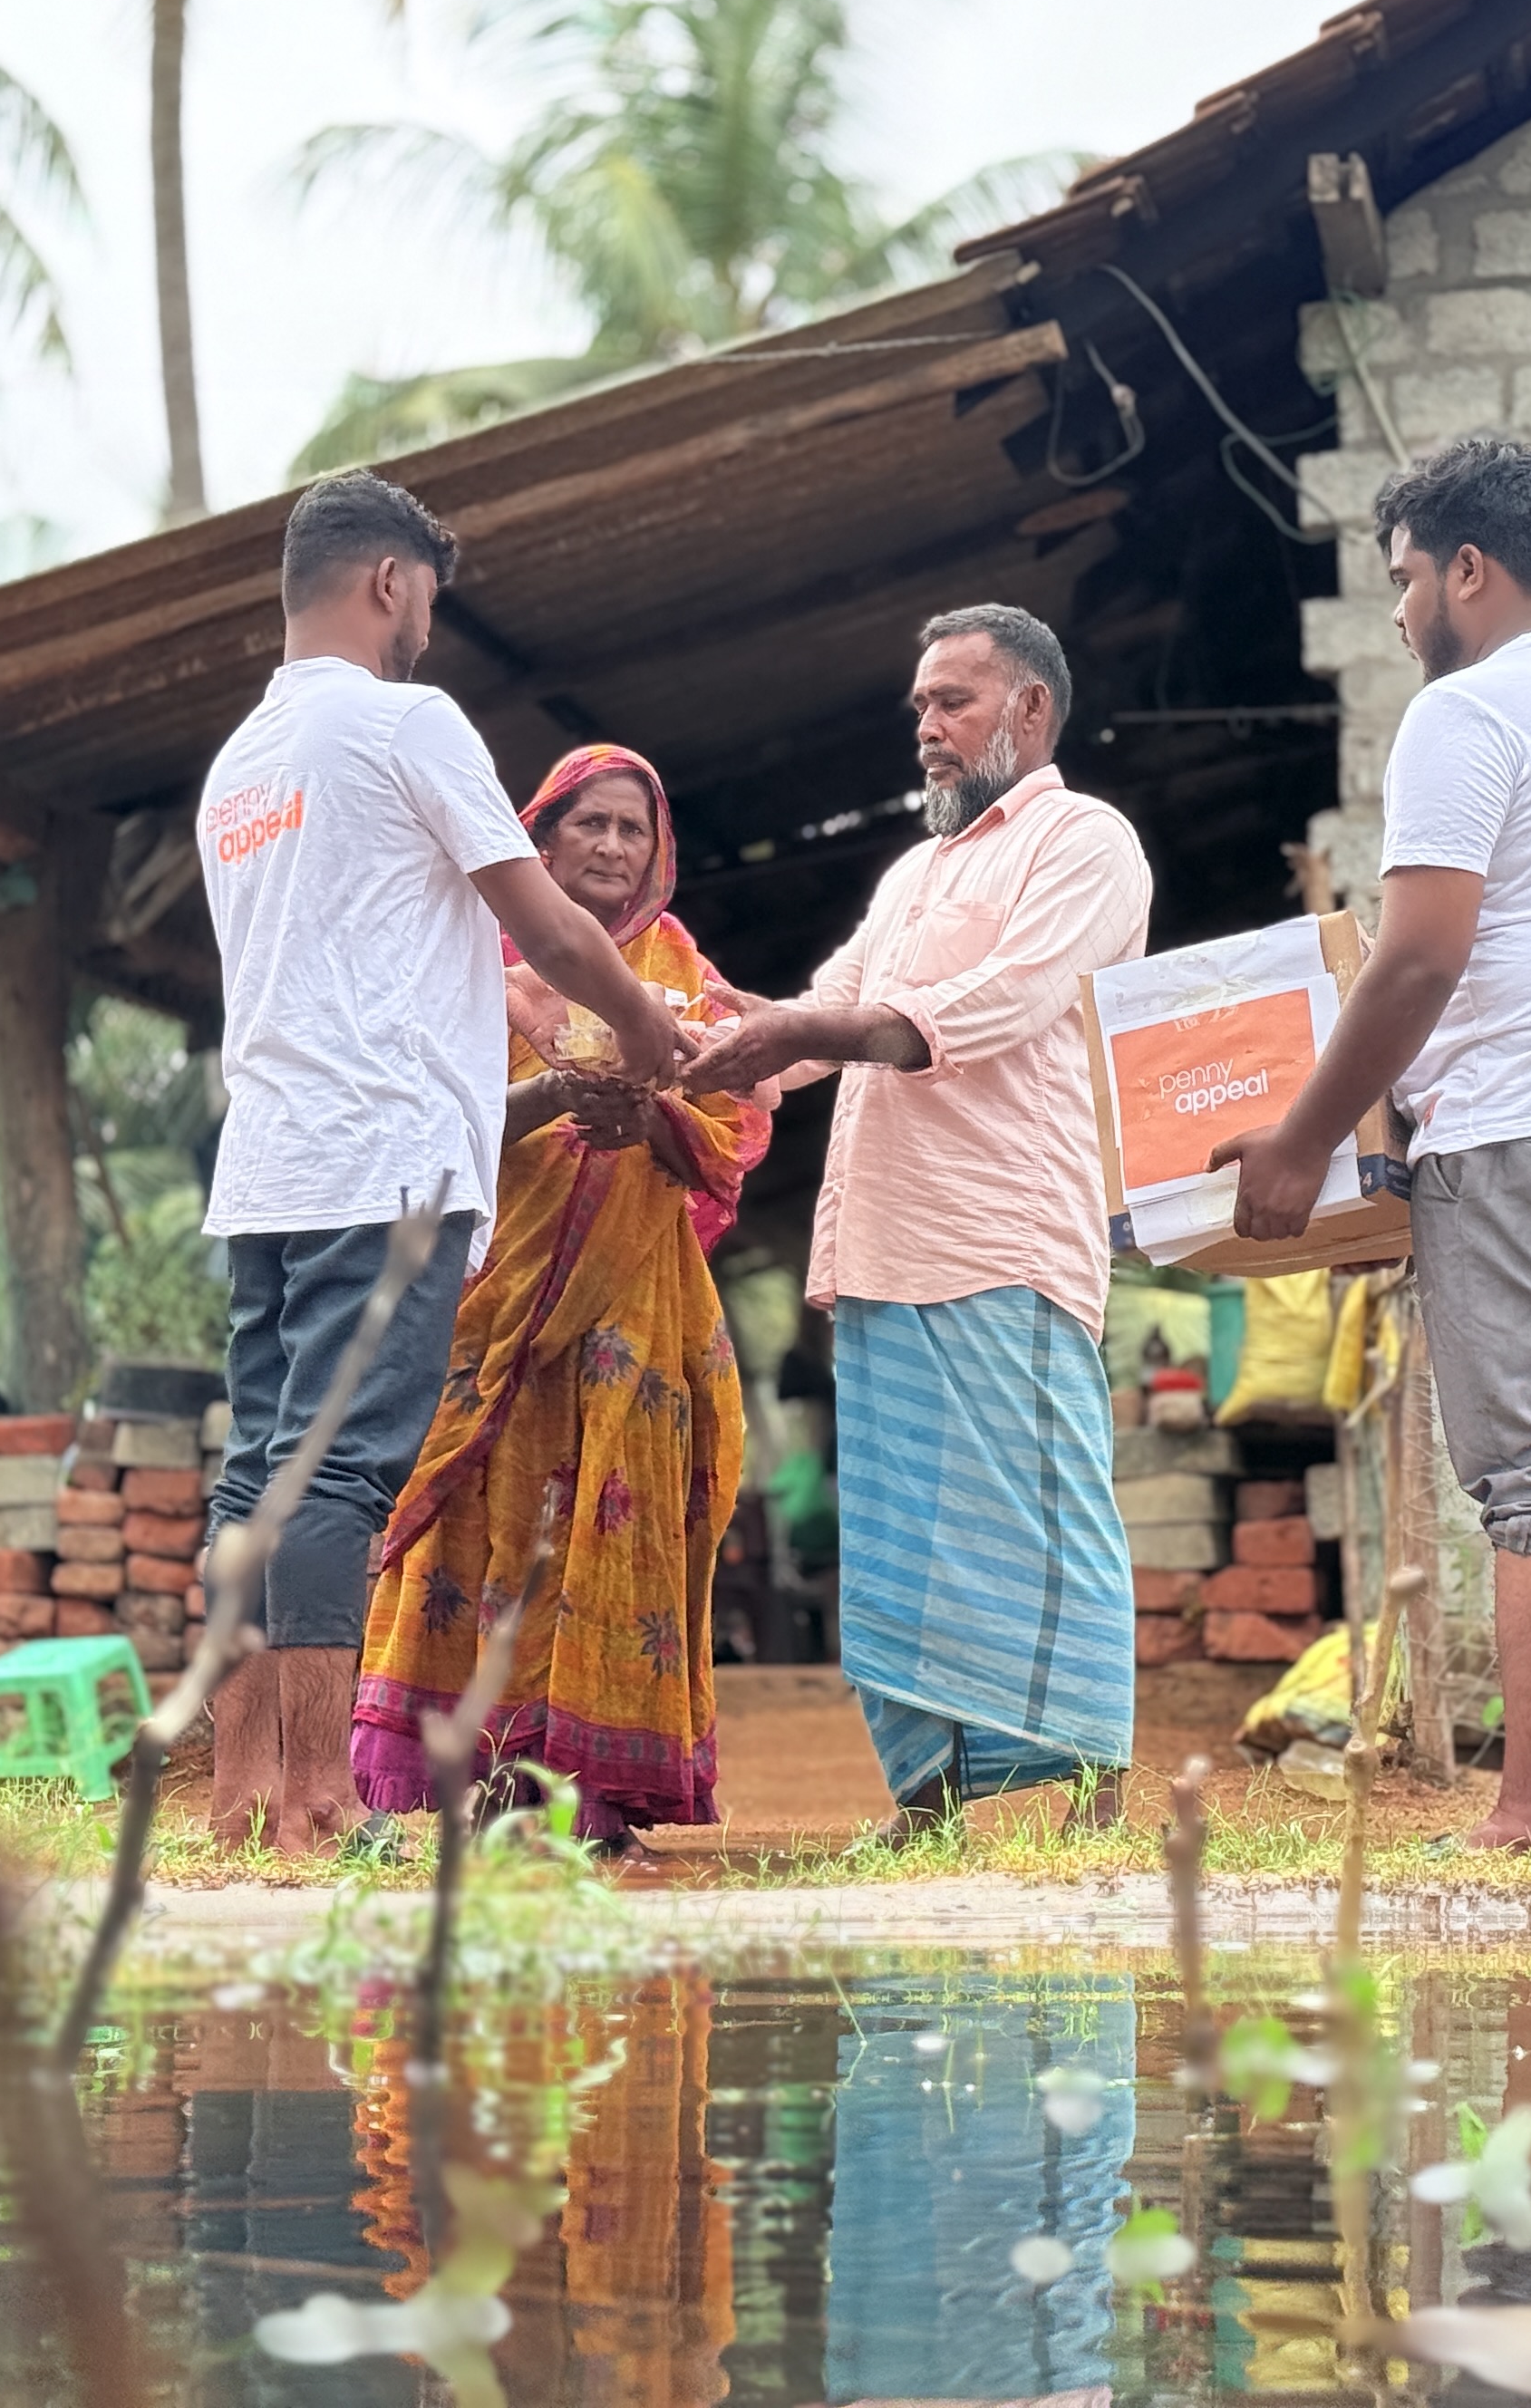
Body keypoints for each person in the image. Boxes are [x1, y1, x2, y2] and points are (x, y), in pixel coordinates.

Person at [1212, 430, 1531, 1855]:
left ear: (1468, 568)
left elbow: (1421, 955)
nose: (1396, 614)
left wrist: (1299, 1141)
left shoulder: (1472, 712)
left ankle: (1526, 1819)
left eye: (1402, 579)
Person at [199, 471, 682, 1856]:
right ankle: (316, 1800)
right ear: (391, 585)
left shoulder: (242, 767)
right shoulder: (409, 722)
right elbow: (558, 931)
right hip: (383, 1167)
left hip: (273, 1166)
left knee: (259, 1477)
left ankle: (241, 1797)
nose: (428, 628)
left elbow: (376, 950)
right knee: (339, 1478)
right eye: (429, 601)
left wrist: (514, 1012)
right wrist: (649, 1031)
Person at [678, 606, 1152, 1834]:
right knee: (903, 1548)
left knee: (1044, 1521)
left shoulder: (1085, 841)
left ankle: (1091, 1799)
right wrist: (699, 1030)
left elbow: (1000, 1002)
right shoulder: (911, 874)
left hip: (1004, 1243)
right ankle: (928, 1803)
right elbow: (814, 1018)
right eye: (922, 710)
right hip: (883, 1256)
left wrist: (803, 1031)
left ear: (1031, 710)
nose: (930, 729)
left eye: (955, 702)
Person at [345, 743, 772, 1856]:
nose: (616, 848)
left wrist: (660, 1124)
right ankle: (442, 1797)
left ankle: (587, 1806)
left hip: (633, 1323)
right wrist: (552, 1098)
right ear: (541, 837)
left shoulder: (681, 973)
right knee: (472, 1542)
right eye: (594, 825)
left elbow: (734, 1122)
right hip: (493, 1312)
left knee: (604, 1545)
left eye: (637, 829)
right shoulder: (478, 965)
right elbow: (427, 1125)